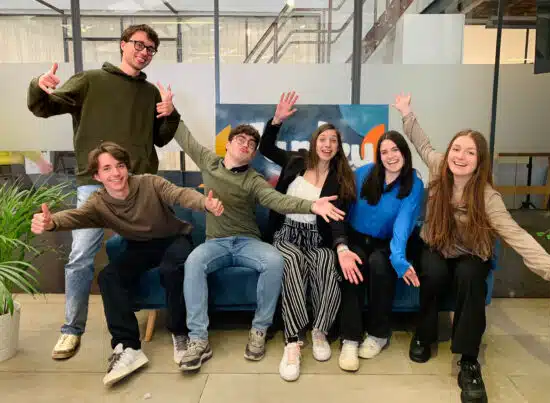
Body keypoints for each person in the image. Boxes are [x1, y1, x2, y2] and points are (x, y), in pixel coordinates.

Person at [393, 93, 550, 403]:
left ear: (479, 161)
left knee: (470, 278)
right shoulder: (439, 166)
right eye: (457, 149)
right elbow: (421, 142)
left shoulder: (487, 197)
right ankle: (424, 336)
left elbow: (516, 234)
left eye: (470, 152)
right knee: (433, 273)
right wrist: (406, 112)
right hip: (437, 245)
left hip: (471, 253)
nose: (460, 156)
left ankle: (468, 360)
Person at [27, 24, 181, 360]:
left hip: (138, 186)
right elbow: (43, 107)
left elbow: (160, 138)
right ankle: (71, 330)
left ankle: (145, 326)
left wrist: (171, 114)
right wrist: (39, 85)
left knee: (149, 251)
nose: (144, 52)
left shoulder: (150, 93)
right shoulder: (90, 80)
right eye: (139, 45)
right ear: (123, 44)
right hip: (95, 184)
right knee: (81, 256)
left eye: (150, 49)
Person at [31, 142, 224, 386]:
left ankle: (180, 332)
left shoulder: (149, 183)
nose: (116, 173)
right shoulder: (98, 202)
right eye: (107, 168)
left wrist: (204, 203)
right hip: (139, 246)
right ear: (97, 176)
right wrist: (51, 222)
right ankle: (128, 347)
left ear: (127, 168)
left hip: (173, 239)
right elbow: (77, 217)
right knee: (108, 277)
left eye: (120, 166)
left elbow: (179, 194)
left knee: (172, 269)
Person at [172, 120, 346, 372]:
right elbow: (185, 138)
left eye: (252, 143)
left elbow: (277, 200)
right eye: (240, 140)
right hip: (215, 243)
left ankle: (260, 330)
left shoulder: (254, 179)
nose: (246, 145)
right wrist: (171, 113)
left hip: (248, 242)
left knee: (275, 260)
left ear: (253, 154)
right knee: (193, 261)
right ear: (228, 144)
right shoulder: (209, 162)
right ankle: (198, 339)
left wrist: (311, 205)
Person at [259, 92, 357, 381]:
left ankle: (320, 330)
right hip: (287, 235)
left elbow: (337, 219)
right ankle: (292, 341)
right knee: (291, 263)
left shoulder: (341, 178)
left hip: (318, 238)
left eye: (333, 141)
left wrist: (341, 248)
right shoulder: (295, 160)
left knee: (326, 263)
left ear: (338, 147)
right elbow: (266, 147)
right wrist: (276, 120)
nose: (327, 145)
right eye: (323, 139)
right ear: (314, 142)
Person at [336, 130, 424, 373]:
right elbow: (342, 208)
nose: (390, 156)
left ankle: (378, 334)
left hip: (387, 243)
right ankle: (350, 339)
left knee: (379, 264)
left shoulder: (414, 184)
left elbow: (403, 224)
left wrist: (399, 259)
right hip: (356, 237)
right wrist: (341, 244)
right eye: (384, 152)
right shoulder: (364, 173)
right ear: (379, 155)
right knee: (353, 268)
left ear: (404, 152)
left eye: (395, 150)